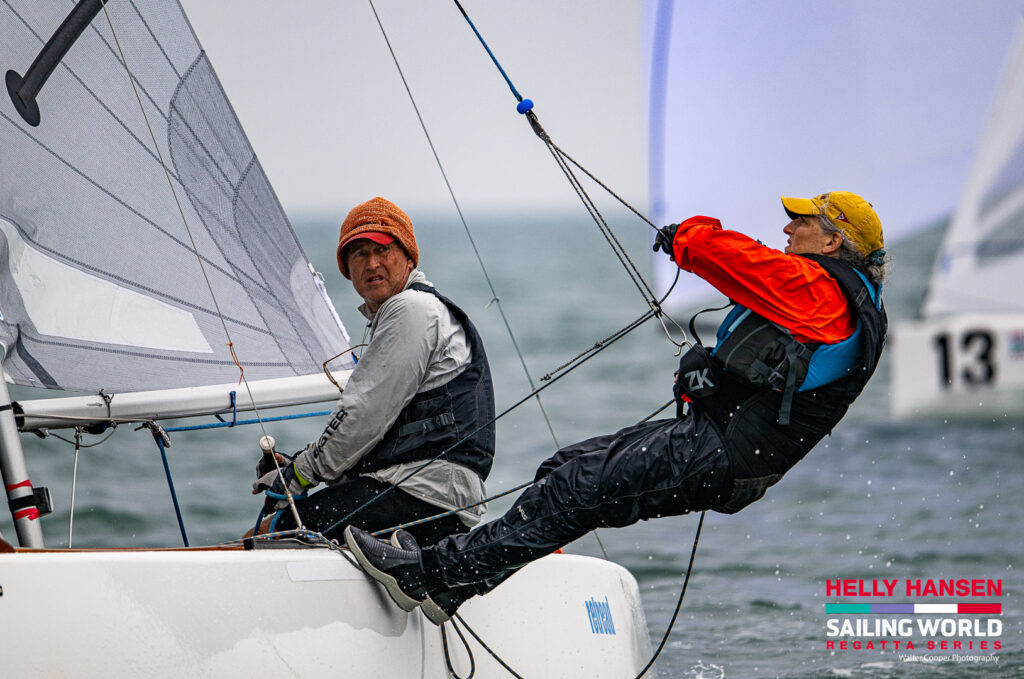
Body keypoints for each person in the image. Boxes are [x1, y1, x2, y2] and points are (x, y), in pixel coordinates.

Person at [343, 191, 889, 625]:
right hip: (715, 441)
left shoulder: (824, 293)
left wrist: (687, 237)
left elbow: (737, 261)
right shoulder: (837, 299)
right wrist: (713, 380)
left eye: (804, 222)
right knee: (563, 469)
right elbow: (777, 378)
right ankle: (454, 581)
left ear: (834, 242)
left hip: (720, 455)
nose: (789, 229)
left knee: (576, 488)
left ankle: (429, 576)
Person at [251, 197, 496, 545]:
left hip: (423, 495)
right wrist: (299, 464)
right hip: (424, 493)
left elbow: (364, 413)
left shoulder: (412, 309)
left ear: (409, 257)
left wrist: (300, 474)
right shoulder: (413, 310)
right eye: (359, 254)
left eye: (382, 249)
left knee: (274, 533)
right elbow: (374, 433)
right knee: (288, 525)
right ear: (346, 269)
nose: (371, 263)